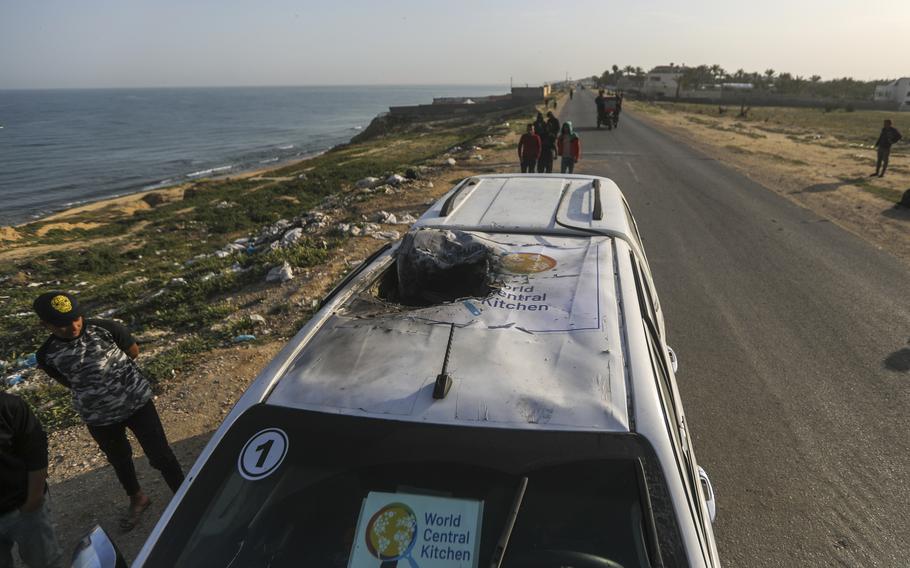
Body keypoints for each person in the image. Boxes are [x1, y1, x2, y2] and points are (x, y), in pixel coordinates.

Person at [33, 292, 185, 531]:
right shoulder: (46, 354)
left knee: (161, 453)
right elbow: (66, 380)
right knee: (119, 459)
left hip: (137, 404)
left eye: (76, 319)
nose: (72, 326)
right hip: (99, 417)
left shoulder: (107, 329)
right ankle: (138, 498)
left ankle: (184, 495)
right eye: (61, 324)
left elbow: (132, 351)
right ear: (45, 325)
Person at [0, 392, 63, 568]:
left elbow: (36, 454)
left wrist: (33, 501)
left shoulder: (9, 406)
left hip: (23, 509)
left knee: (46, 562)